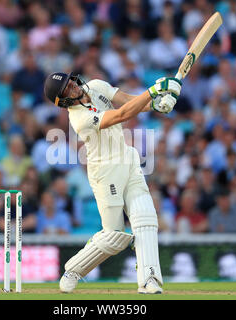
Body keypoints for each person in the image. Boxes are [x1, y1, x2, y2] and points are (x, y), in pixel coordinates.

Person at [44, 71, 181, 294]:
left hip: (127, 159)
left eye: (70, 82)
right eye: (67, 89)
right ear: (63, 101)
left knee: (146, 220)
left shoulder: (96, 85)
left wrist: (156, 104)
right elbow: (120, 115)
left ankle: (149, 279)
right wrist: (154, 91)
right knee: (114, 236)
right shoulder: (79, 119)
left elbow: (128, 101)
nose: (73, 87)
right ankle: (73, 270)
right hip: (105, 172)